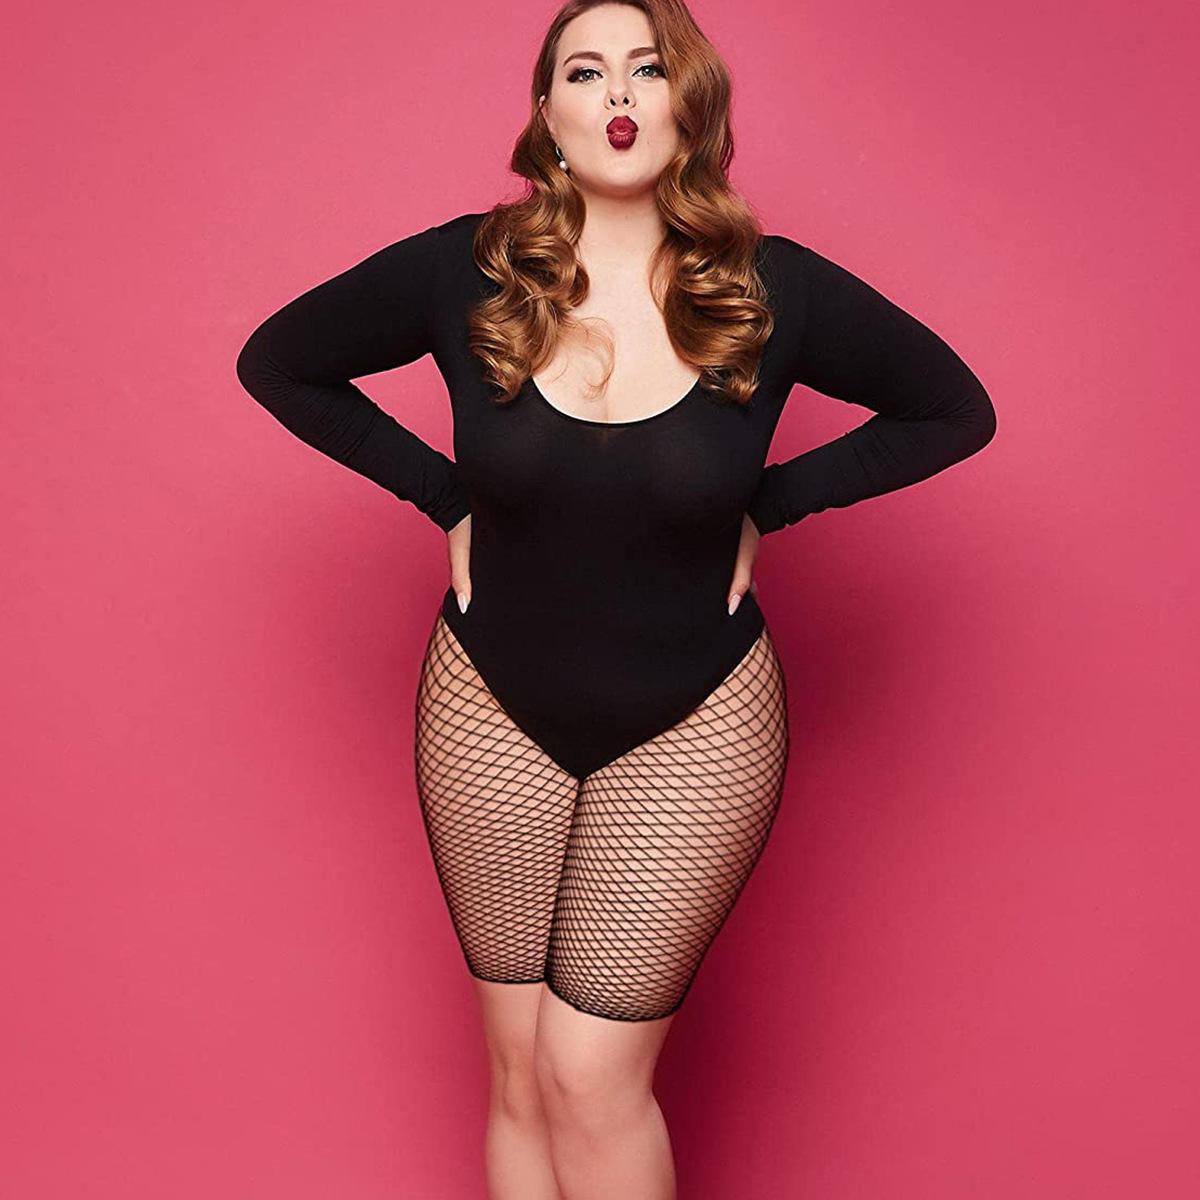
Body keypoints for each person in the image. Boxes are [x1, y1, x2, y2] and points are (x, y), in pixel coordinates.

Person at [234, 1, 996, 1195]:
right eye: (586, 72)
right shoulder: (468, 270)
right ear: (549, 112)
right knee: (520, 1072)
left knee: (589, 1075)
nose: (619, 93)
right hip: (487, 703)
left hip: (695, 720)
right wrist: (444, 498)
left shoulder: (771, 289)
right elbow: (279, 360)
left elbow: (954, 410)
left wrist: (773, 505)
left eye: (648, 67)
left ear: (691, 104)